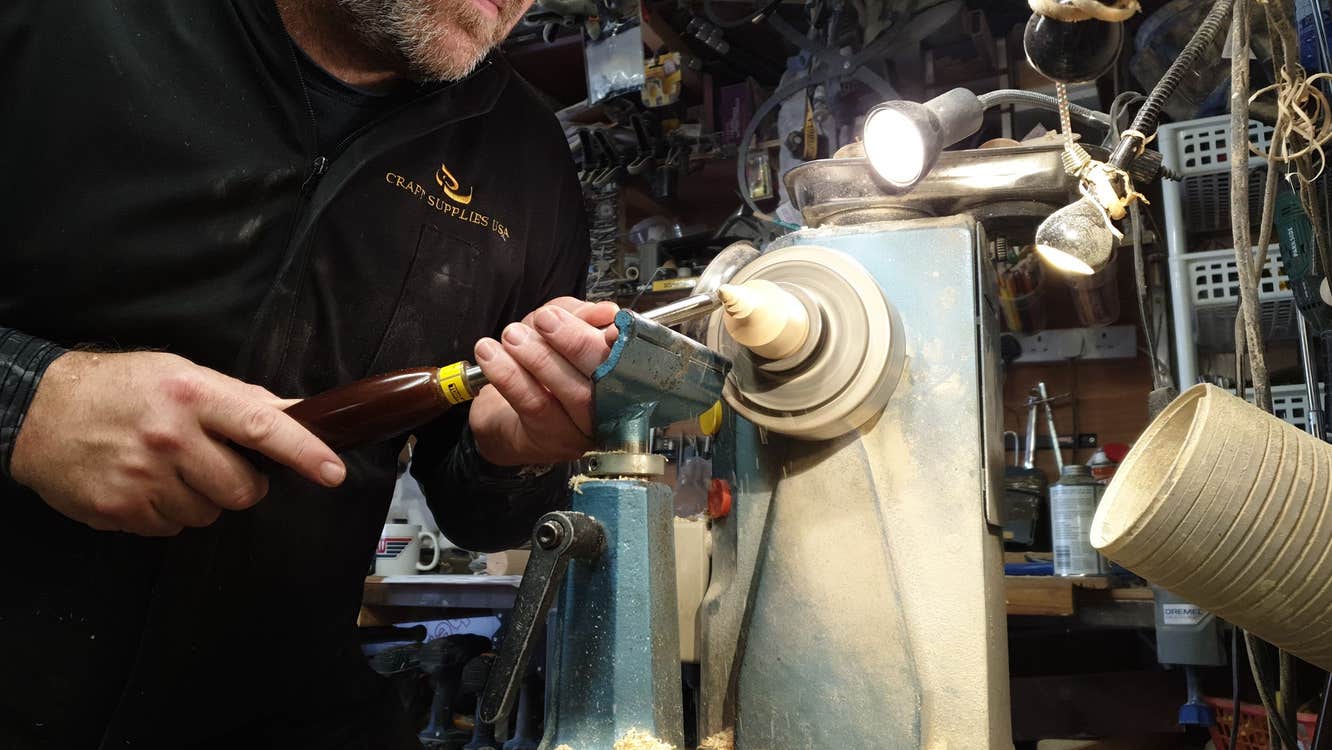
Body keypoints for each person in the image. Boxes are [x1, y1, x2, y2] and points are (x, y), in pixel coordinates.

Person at [0, 1, 606, 746]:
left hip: (285, 710)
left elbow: (483, 517)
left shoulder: (527, 162)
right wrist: (25, 399)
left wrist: (511, 455)